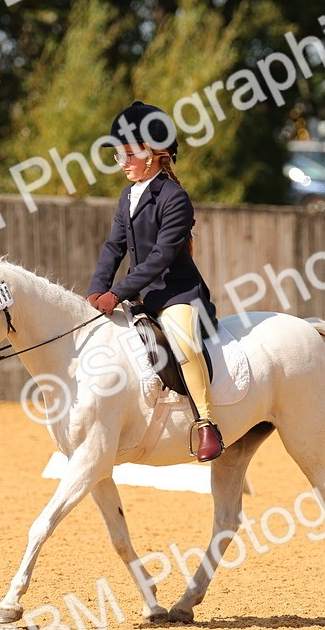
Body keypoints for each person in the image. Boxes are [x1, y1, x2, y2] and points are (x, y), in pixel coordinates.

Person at [87, 101, 225, 462]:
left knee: (182, 342)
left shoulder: (174, 198)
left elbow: (161, 257)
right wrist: (97, 288)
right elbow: (114, 246)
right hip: (141, 296)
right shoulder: (127, 195)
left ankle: (207, 423)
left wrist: (118, 292)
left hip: (177, 294)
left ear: (154, 154)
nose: (123, 163)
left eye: (128, 154)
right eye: (119, 155)